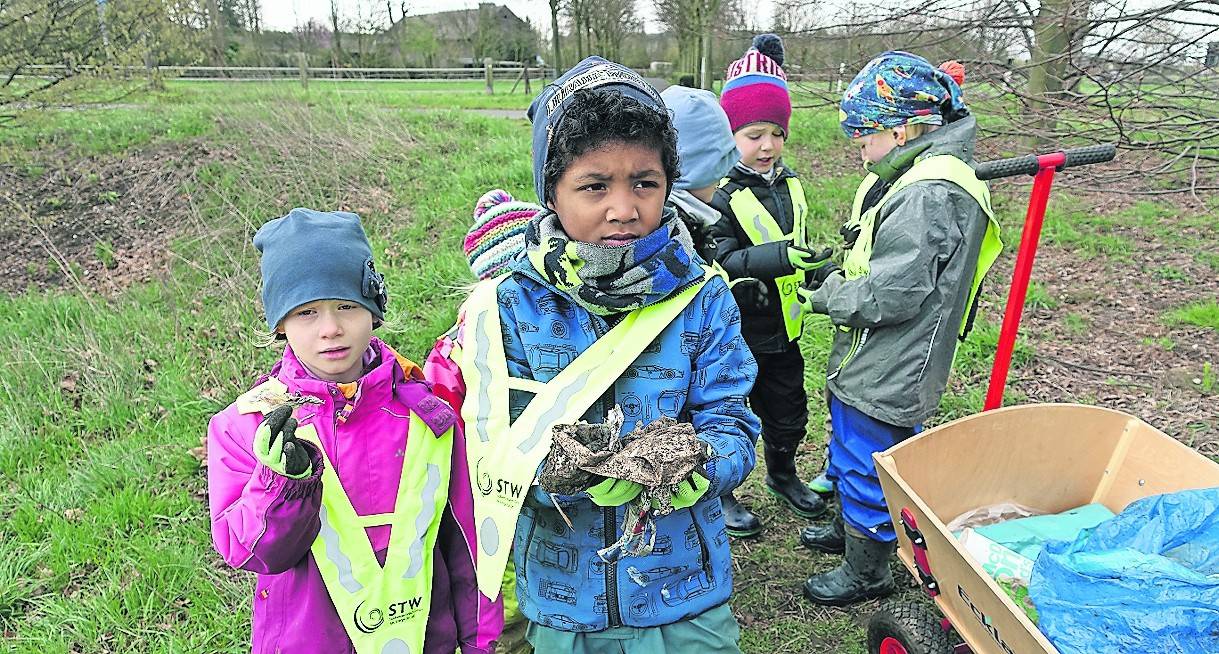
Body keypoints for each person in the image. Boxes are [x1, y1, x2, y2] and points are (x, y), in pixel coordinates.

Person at [439, 57, 761, 654]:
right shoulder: (506, 307)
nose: (623, 208)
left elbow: (735, 425)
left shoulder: (702, 295)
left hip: (683, 590)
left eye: (645, 182)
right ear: (551, 193)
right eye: (594, 186)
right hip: (565, 600)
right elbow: (480, 447)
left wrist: (697, 463)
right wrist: (553, 474)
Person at [206, 208, 485, 653]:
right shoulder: (244, 427)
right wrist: (282, 485)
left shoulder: (428, 414)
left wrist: (479, 644)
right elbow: (252, 552)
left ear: (373, 311)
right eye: (306, 313)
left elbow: (466, 547)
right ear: (279, 324)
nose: (330, 329)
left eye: (346, 306)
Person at [797, 52, 1002, 606]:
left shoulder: (929, 193)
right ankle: (852, 535)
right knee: (848, 445)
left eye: (863, 134)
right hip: (871, 355)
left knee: (870, 461)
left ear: (901, 128)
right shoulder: (914, 176)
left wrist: (825, 295)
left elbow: (892, 292)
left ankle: (870, 570)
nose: (857, 146)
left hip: (894, 362)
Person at [708, 34, 835, 537]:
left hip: (786, 328)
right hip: (739, 331)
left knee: (789, 413)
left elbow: (795, 241)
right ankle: (724, 493)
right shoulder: (719, 195)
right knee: (729, 415)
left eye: (776, 133)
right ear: (731, 135)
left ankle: (783, 474)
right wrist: (779, 258)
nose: (767, 146)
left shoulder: (793, 185)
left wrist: (815, 268)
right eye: (754, 134)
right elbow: (719, 255)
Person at [427, 188, 542, 654]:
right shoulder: (460, 345)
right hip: (488, 491)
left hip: (547, 481)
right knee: (501, 581)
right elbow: (438, 410)